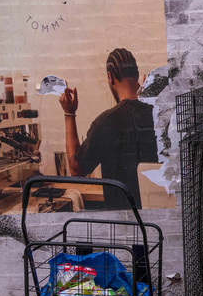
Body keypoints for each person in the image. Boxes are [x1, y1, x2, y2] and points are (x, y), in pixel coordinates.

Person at [58, 48, 158, 209]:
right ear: (137, 75)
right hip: (157, 217)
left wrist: (69, 113)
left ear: (110, 77)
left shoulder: (106, 122)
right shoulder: (160, 114)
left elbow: (76, 170)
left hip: (122, 219)